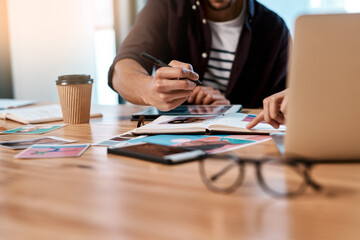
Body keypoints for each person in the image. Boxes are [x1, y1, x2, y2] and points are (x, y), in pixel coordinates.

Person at [108, 0, 290, 111]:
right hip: (172, 138)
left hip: (246, 148)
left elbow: (282, 103)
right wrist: (150, 90)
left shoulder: (274, 29)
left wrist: (232, 109)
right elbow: (121, 72)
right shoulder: (165, 5)